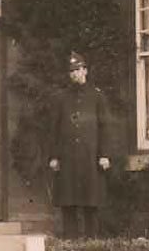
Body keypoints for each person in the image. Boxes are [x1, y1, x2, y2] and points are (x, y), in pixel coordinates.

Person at [49, 51, 112, 239]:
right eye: (71, 71)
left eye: (77, 70)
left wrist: (104, 154)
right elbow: (54, 129)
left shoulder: (97, 97)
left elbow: (105, 127)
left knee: (90, 201)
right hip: (67, 158)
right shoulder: (61, 98)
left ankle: (91, 242)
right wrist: (54, 156)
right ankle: (71, 242)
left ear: (85, 70)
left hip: (90, 157)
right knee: (68, 202)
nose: (74, 74)